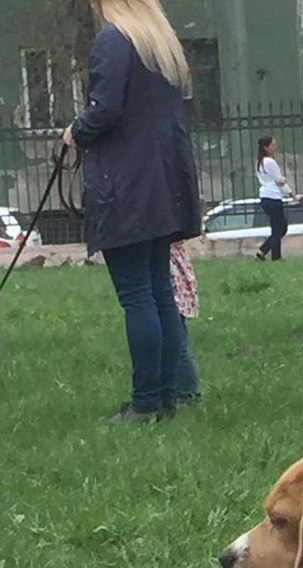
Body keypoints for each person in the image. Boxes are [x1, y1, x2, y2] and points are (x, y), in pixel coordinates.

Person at [63, 0, 200, 423]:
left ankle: (145, 401)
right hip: (163, 183)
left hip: (126, 186)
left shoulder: (115, 40)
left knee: (137, 294)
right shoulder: (160, 44)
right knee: (159, 291)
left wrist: (76, 132)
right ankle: (167, 396)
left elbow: (105, 110)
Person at [169, 240, 201, 404]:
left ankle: (188, 391)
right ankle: (179, 389)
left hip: (171, 275)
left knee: (176, 340)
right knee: (176, 336)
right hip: (175, 270)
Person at [256, 136, 295, 261]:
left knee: (280, 227)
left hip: (265, 197)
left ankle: (263, 250)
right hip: (273, 197)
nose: (275, 147)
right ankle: (276, 257)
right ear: (265, 148)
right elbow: (279, 181)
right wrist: (292, 194)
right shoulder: (270, 162)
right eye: (272, 145)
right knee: (278, 229)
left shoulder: (259, 162)